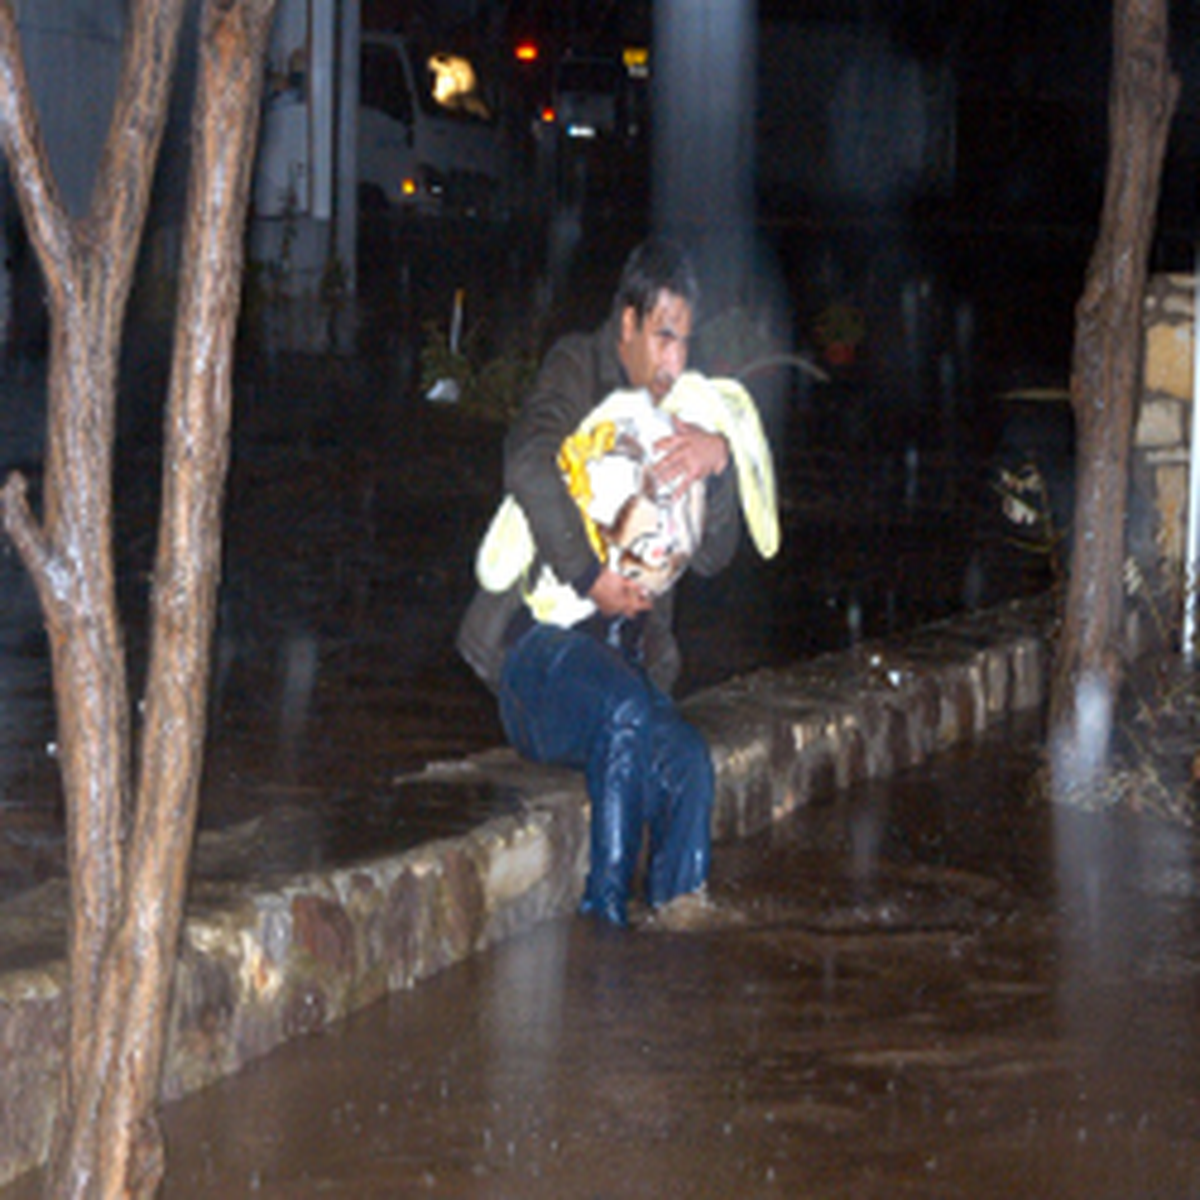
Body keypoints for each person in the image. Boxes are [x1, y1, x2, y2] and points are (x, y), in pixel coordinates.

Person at [457, 237, 759, 928]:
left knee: (689, 762)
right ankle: (606, 924)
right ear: (627, 324)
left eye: (684, 342)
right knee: (624, 711)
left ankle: (679, 921)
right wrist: (590, 577)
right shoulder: (577, 367)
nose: (675, 361)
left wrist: (720, 464)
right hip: (539, 661)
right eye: (662, 338)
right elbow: (528, 460)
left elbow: (713, 556)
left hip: (626, 666)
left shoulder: (687, 406)